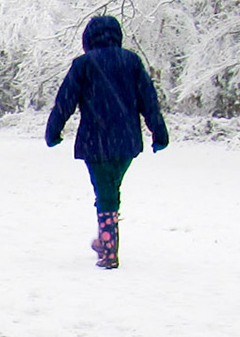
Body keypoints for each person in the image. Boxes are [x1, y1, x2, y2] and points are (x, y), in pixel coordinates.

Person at [45, 15, 169, 270]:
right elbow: (149, 99)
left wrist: (53, 131)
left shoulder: (83, 64)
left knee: (105, 192)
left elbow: (65, 101)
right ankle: (106, 240)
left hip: (95, 140)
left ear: (88, 39)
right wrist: (159, 132)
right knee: (111, 189)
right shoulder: (131, 62)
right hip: (126, 140)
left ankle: (109, 249)